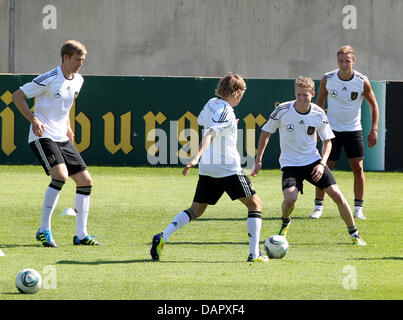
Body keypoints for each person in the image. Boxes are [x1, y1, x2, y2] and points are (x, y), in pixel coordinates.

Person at [150, 73, 269, 262]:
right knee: (255, 204)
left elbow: (202, 122)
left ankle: (163, 236)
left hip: (208, 168)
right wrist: (195, 157)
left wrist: (228, 126)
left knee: (196, 210)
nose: (242, 97)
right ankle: (254, 254)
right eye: (242, 93)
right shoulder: (226, 110)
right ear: (237, 92)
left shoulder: (212, 103)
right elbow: (210, 133)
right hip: (227, 168)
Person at [252, 76, 366, 246]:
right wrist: (258, 159)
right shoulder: (282, 110)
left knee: (337, 196)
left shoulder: (319, 113)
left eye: (305, 95)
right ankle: (285, 221)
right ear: (295, 94)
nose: (302, 98)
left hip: (313, 162)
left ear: (312, 94)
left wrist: (322, 164)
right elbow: (265, 133)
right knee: (290, 199)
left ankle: (354, 234)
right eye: (298, 95)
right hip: (290, 164)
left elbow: (328, 141)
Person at [12, 40, 100, 247]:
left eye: (83, 60)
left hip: (62, 137)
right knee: (60, 176)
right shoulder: (50, 77)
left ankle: (81, 234)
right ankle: (44, 230)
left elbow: (63, 105)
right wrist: (33, 118)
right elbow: (18, 96)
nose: (81, 64)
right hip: (43, 136)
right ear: (66, 58)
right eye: (78, 60)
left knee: (86, 181)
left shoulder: (79, 80)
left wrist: (68, 125)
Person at [309, 45, 379, 219]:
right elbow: (319, 103)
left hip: (353, 130)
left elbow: (374, 105)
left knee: (358, 168)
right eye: (340, 61)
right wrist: (318, 127)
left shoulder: (362, 81)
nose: (344, 64)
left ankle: (358, 209)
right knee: (324, 168)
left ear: (353, 61)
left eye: (347, 61)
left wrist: (374, 129)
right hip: (331, 131)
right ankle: (318, 208)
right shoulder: (328, 78)